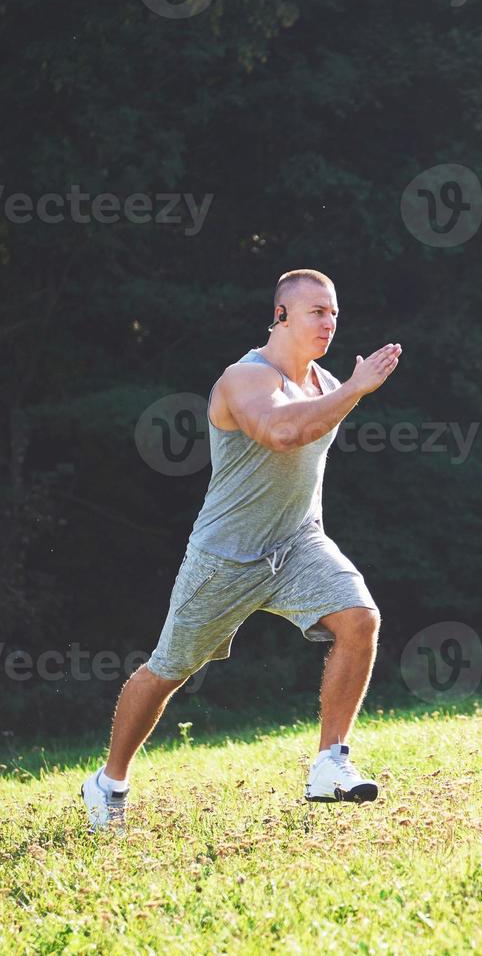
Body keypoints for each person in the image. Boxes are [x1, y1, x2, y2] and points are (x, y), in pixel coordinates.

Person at [82, 268, 401, 830]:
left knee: (361, 619)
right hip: (225, 558)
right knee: (168, 671)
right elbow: (278, 433)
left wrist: (345, 390)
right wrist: (356, 390)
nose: (329, 323)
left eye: (333, 314)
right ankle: (109, 783)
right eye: (316, 313)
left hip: (298, 543)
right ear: (281, 316)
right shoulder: (244, 378)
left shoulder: (326, 383)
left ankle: (331, 762)